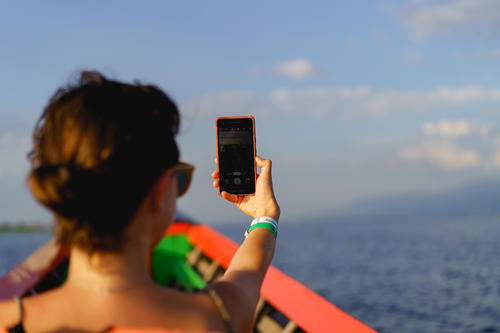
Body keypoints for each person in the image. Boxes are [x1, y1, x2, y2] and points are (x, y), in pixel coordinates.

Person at [0, 71, 280, 333]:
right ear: (160, 192)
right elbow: (246, 274)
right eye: (179, 179)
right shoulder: (215, 316)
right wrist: (264, 215)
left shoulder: (9, 322)